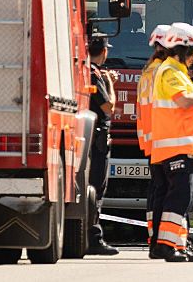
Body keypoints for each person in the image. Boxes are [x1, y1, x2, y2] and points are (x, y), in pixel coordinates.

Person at [149, 23, 193, 262]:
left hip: (181, 144)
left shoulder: (177, 71)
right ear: (183, 49)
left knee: (182, 198)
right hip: (176, 145)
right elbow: (185, 101)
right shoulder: (171, 71)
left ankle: (176, 245)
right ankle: (167, 246)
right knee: (179, 197)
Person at [86, 34, 120, 256]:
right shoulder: (95, 74)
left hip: (91, 137)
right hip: (97, 139)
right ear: (104, 51)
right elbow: (109, 107)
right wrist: (110, 84)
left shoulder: (86, 70)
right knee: (96, 188)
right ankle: (93, 238)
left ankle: (88, 236)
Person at [138, 24, 168, 249]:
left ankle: (154, 236)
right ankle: (164, 238)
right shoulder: (163, 71)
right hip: (166, 137)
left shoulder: (148, 70)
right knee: (169, 192)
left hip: (152, 139)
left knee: (157, 189)